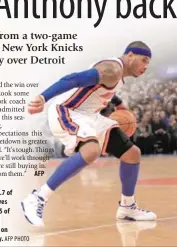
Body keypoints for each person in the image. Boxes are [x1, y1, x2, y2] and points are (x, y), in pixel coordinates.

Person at [21, 41, 157, 227]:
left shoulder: (117, 75)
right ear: (130, 55)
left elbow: (103, 88)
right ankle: (37, 197)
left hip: (90, 116)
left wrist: (118, 103)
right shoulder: (112, 69)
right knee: (91, 150)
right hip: (68, 111)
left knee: (132, 154)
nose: (146, 66)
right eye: (144, 60)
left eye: (148, 62)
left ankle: (127, 206)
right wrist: (43, 97)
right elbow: (73, 79)